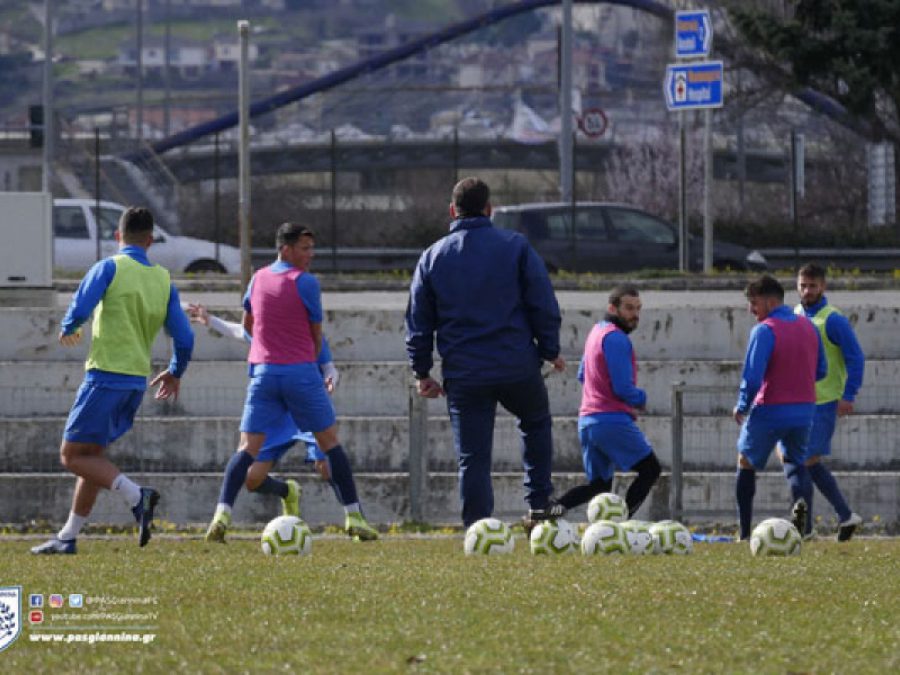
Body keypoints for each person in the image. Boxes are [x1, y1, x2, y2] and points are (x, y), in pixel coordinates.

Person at [31, 206, 194, 554]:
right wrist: (176, 371)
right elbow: (185, 338)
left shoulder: (109, 267)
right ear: (151, 240)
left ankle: (137, 496)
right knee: (92, 458)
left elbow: (82, 303)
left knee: (71, 456)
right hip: (136, 382)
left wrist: (69, 326)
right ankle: (68, 537)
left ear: (117, 236)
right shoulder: (164, 280)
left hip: (105, 377)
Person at [405, 177, 565, 527]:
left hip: (465, 373)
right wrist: (549, 349)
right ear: (490, 209)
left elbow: (418, 321)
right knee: (535, 423)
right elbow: (543, 303)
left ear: (452, 210)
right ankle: (539, 504)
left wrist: (422, 372)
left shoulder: (432, 256)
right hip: (517, 364)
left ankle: (479, 526)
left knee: (473, 456)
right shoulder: (516, 246)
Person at [204, 222, 378, 543]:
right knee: (330, 444)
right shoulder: (306, 283)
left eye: (311, 249)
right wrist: (317, 365)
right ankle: (354, 516)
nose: (310, 255)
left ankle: (221, 516)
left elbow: (248, 325)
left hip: (264, 374)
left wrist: (269, 346)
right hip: (299, 374)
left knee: (246, 449)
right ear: (285, 248)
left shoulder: (257, 279)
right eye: (304, 248)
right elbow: (315, 335)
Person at [186, 303, 340, 513]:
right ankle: (287, 491)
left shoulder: (309, 334)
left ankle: (355, 518)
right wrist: (210, 320)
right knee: (252, 479)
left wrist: (331, 380)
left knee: (326, 468)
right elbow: (240, 331)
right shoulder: (264, 333)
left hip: (306, 410)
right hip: (277, 415)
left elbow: (329, 367)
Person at [538, 285, 661, 529]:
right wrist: (642, 398)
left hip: (588, 421)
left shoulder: (596, 331)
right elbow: (623, 389)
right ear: (612, 308)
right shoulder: (616, 338)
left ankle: (546, 512)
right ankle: (622, 526)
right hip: (610, 420)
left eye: (638, 309)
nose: (634, 314)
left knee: (598, 486)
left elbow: (583, 375)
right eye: (628, 308)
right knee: (650, 470)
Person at [733, 274, 826, 541]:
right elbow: (821, 370)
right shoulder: (808, 327)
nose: (752, 310)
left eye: (754, 303)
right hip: (804, 409)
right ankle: (804, 530)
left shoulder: (765, 330)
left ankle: (743, 532)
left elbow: (752, 375)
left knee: (746, 462)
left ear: (770, 301)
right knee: (796, 463)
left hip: (771, 409)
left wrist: (742, 404)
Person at [790, 263, 865, 540]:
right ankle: (845, 516)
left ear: (823, 287)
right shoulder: (795, 314)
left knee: (804, 460)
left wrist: (848, 395)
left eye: (812, 285)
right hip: (797, 402)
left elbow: (855, 358)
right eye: (802, 285)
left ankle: (805, 529)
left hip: (823, 402)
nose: (807, 290)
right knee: (806, 462)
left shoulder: (833, 320)